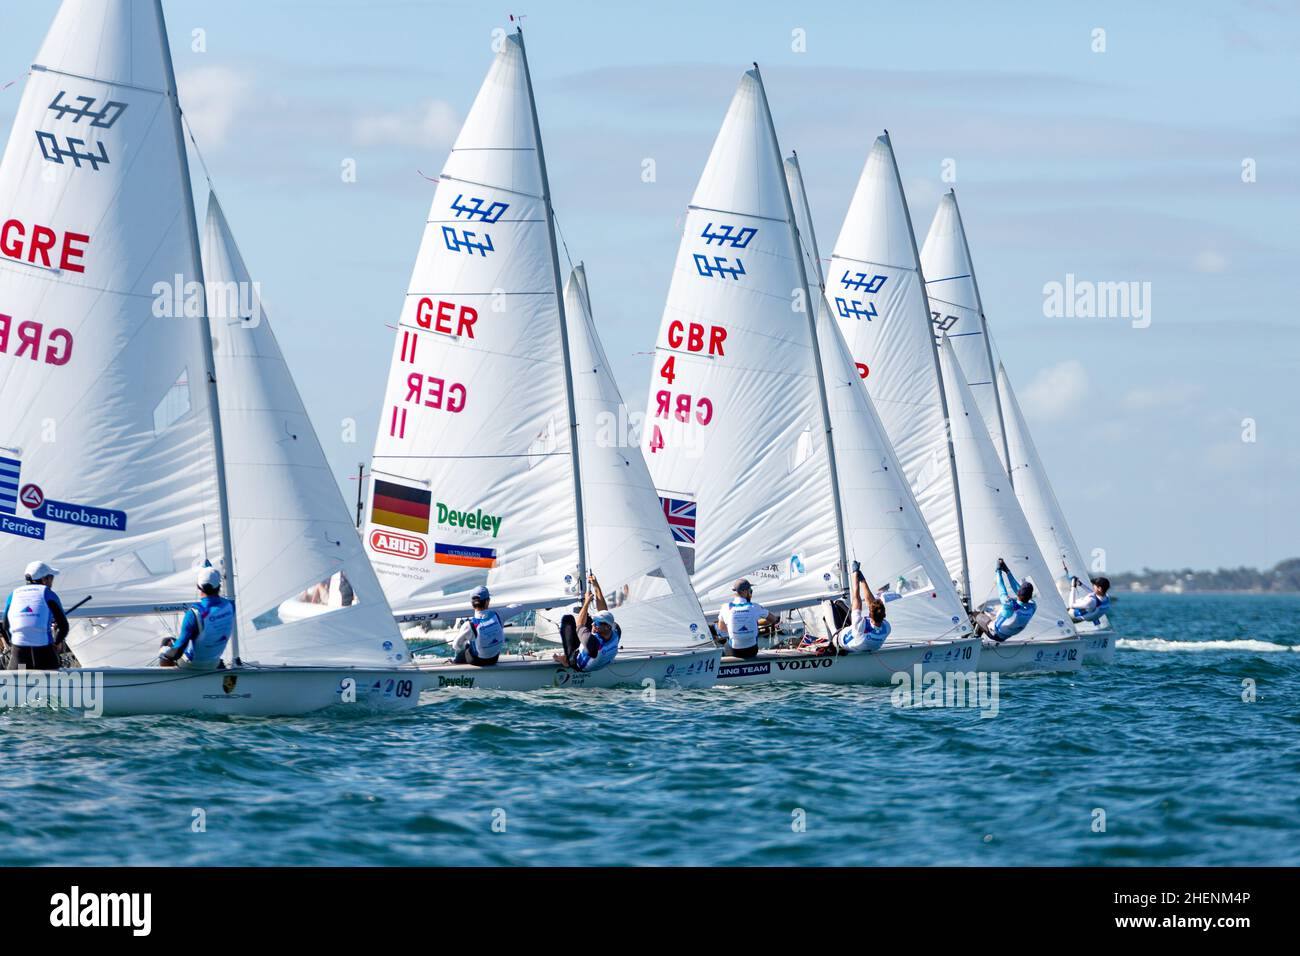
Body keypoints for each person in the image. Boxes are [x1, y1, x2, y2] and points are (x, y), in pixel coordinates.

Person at [802, 562, 890, 654]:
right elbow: (872, 603)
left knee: (828, 603)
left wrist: (855, 574)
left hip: (838, 638)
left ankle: (831, 641)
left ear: (870, 614)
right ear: (884, 615)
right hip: (857, 638)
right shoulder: (886, 628)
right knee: (839, 603)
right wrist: (863, 580)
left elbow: (856, 597)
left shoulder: (860, 626)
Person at [159, 566, 236, 669]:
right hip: (214, 663)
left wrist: (163, 650)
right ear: (219, 586)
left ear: (198, 587)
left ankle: (169, 682)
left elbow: (177, 653)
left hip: (192, 665)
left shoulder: (194, 613)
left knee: (167, 642)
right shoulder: (230, 606)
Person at [1, 561, 71, 670]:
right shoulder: (48, 594)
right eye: (51, 578)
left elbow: (5, 626)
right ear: (44, 579)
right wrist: (57, 643)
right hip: (44, 655)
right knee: (51, 685)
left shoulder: (13, 594)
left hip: (19, 654)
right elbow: (64, 626)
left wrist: (11, 643)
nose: (52, 582)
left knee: (18, 684)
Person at [554, 572, 620, 672]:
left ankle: (566, 660)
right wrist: (596, 586)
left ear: (607, 627)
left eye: (597, 623)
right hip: (598, 657)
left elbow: (579, 625)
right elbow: (604, 612)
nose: (593, 624)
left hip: (578, 663)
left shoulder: (592, 642)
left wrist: (586, 603)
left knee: (568, 620)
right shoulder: (616, 631)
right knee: (588, 618)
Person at [973, 558, 1036, 642]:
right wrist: (1007, 571)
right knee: (988, 616)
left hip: (995, 634)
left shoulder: (1009, 605)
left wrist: (998, 571)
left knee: (974, 614)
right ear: (1030, 595)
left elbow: (1001, 587)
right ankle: (977, 636)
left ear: (1018, 593)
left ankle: (973, 640)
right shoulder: (1033, 606)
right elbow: (1018, 589)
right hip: (1006, 636)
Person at [716, 578, 779, 659]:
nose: (751, 592)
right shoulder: (755, 607)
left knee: (726, 645)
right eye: (750, 590)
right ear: (745, 592)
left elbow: (721, 627)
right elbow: (773, 619)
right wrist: (755, 622)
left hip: (734, 651)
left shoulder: (725, 607)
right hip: (751, 650)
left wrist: (736, 629)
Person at [449, 585, 505, 666]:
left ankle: (455, 664)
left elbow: (456, 645)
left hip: (477, 661)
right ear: (487, 601)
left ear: (472, 604)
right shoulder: (498, 615)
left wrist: (466, 644)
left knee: (465, 650)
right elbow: (517, 607)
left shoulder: (468, 625)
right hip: (494, 659)